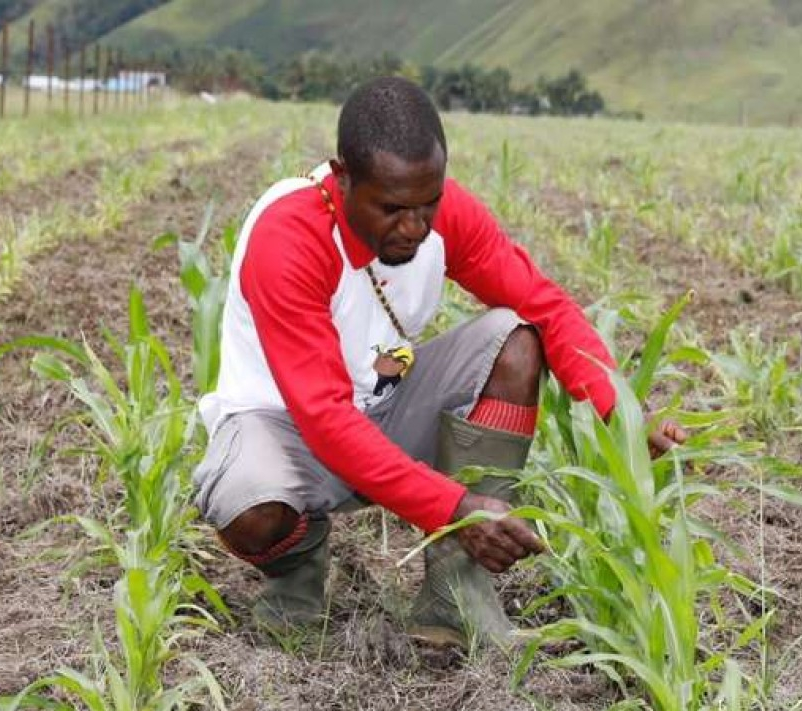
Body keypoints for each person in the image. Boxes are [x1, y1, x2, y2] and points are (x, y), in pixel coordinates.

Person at [193, 76, 686, 649]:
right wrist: (454, 508)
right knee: (248, 506)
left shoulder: (441, 215)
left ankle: (455, 597)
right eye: (393, 208)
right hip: (282, 426)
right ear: (342, 175)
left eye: (428, 203)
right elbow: (325, 418)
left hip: (384, 404)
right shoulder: (290, 238)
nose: (415, 226)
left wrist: (623, 416)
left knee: (515, 339)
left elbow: (544, 306)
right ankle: (295, 588)